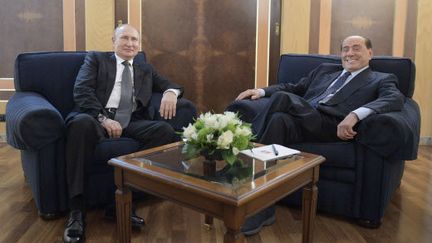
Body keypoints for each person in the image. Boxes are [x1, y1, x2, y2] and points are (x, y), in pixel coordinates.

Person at [235, 35, 404, 236]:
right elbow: (294, 88)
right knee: (278, 119)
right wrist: (260, 91)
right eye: (345, 49)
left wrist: (355, 114)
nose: (350, 53)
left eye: (356, 48)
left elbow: (395, 98)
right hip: (302, 118)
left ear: (370, 53)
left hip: (331, 125)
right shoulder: (325, 71)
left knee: (282, 100)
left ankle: (240, 145)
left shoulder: (381, 78)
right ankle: (264, 209)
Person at [63, 24, 183, 243]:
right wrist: (103, 118)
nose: (130, 43)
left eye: (135, 40)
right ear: (114, 41)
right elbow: (82, 91)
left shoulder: (145, 68)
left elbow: (173, 85)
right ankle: (76, 212)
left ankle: (119, 203)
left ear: (139, 45)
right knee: (80, 125)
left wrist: (170, 93)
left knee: (164, 131)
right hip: (94, 117)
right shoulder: (96, 59)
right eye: (125, 38)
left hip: (131, 121)